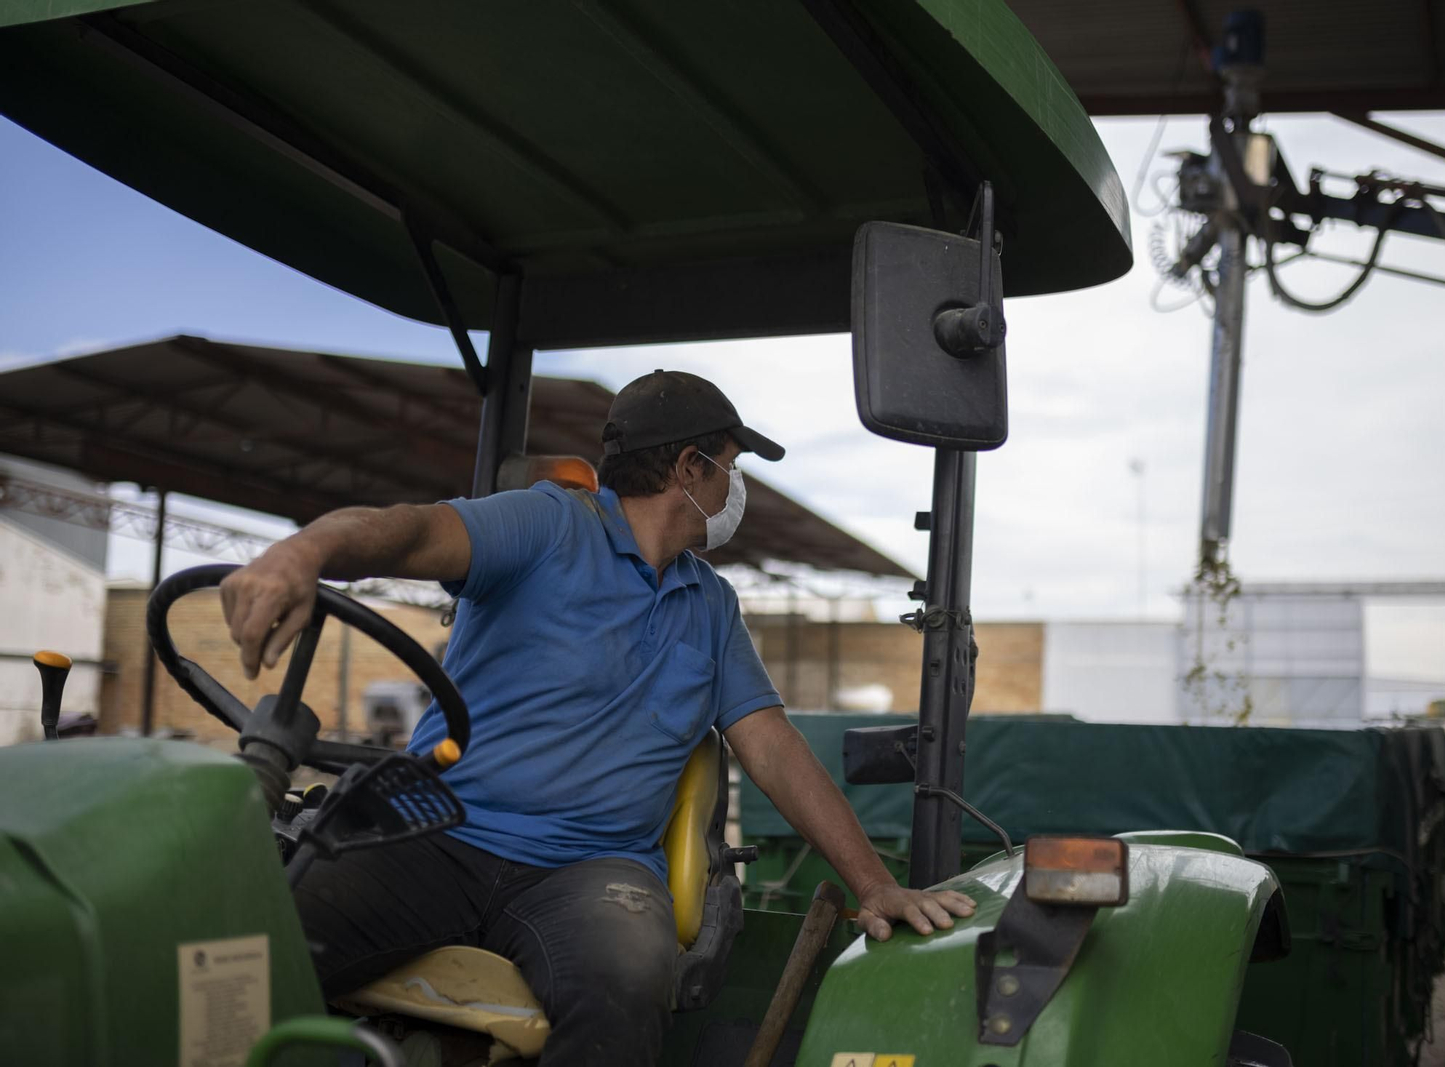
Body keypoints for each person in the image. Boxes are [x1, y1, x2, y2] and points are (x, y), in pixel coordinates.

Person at [219, 369, 975, 1065]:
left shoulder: (710, 603)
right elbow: (413, 529)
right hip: (436, 830)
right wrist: (304, 551)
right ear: (688, 469)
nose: (735, 485)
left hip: (591, 869)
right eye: (730, 465)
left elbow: (772, 747)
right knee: (241, 956)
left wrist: (875, 884)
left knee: (623, 988)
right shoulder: (546, 525)